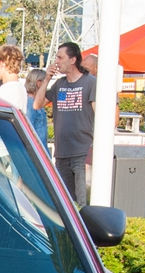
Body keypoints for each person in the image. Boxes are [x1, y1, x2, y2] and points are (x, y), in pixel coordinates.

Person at [32, 42, 95, 202]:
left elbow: (98, 113)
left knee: (81, 201)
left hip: (82, 151)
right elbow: (37, 104)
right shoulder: (60, 84)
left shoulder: (90, 82)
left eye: (60, 57)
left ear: (73, 59)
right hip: (62, 153)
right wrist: (47, 79)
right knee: (65, 202)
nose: (57, 61)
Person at [23, 68, 49, 147]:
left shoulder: (33, 102)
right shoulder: (31, 104)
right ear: (39, 83)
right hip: (38, 148)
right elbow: (29, 130)